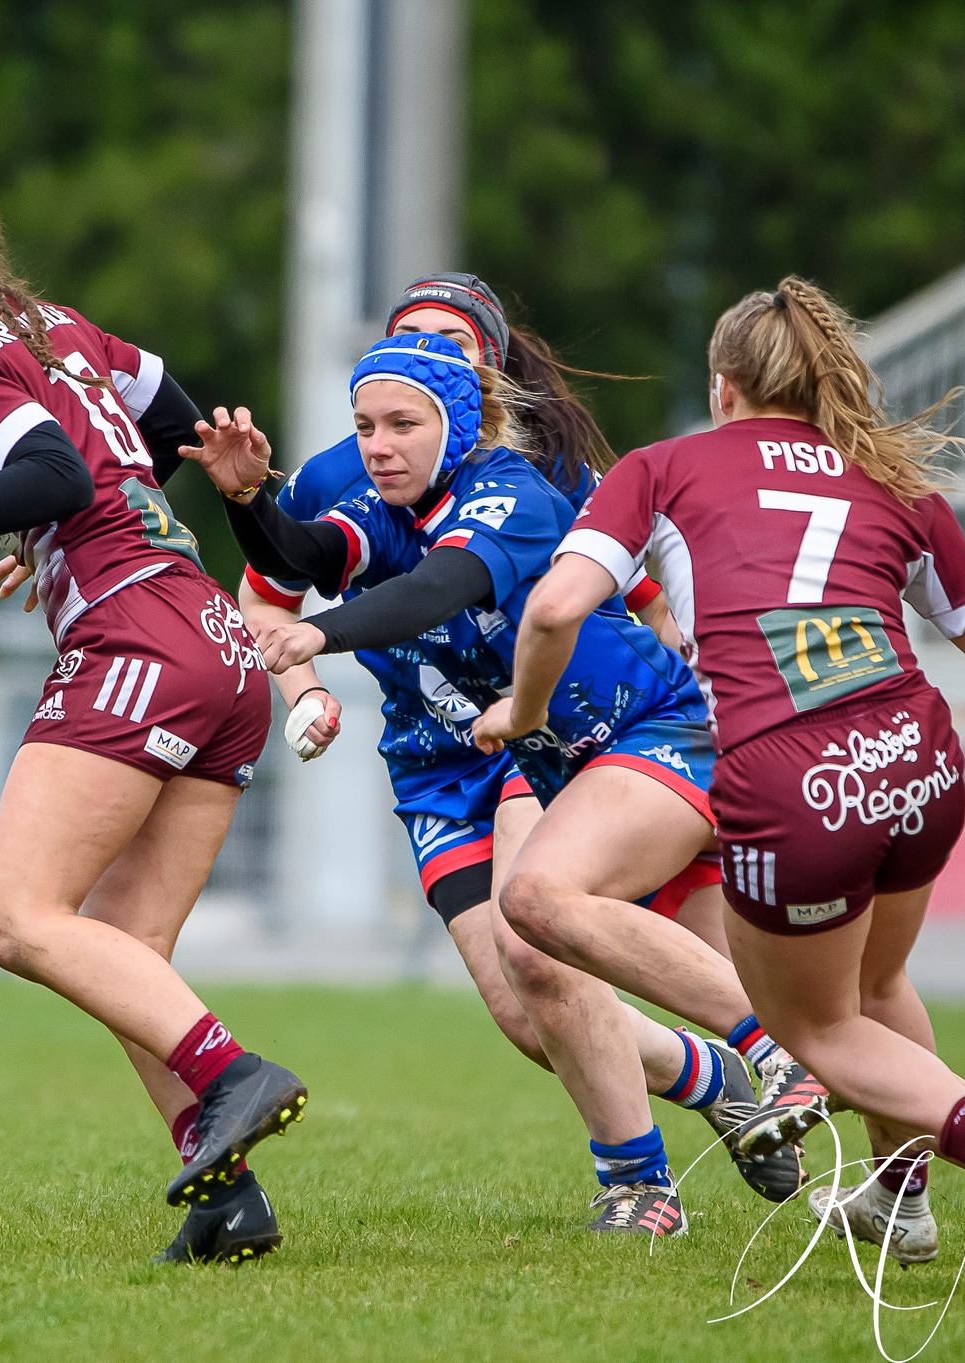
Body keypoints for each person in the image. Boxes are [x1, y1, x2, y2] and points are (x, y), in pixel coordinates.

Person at [476, 276, 965, 1289]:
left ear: (723, 387)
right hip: (917, 757)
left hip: (789, 775)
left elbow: (548, 612)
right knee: (875, 986)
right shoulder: (893, 480)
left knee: (816, 1027)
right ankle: (899, 1197)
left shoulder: (663, 468)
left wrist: (525, 713)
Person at [190, 332, 819, 1234]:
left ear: (463, 419)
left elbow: (442, 588)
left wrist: (322, 639)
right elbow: (299, 554)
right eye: (365, 424)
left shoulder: (512, 490)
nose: (379, 443)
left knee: (541, 918)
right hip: (503, 755)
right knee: (527, 1004)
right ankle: (692, 1116)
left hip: (641, 726)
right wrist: (246, 495)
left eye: (403, 422)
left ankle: (761, 1068)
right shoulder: (382, 502)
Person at [0, 155, 303, 1268]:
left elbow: (54, 477)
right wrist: (58, 543)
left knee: (16, 917)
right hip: (216, 642)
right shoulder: (53, 325)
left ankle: (232, 1075)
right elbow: (169, 421)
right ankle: (227, 1199)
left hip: (136, 642)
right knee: (129, 947)